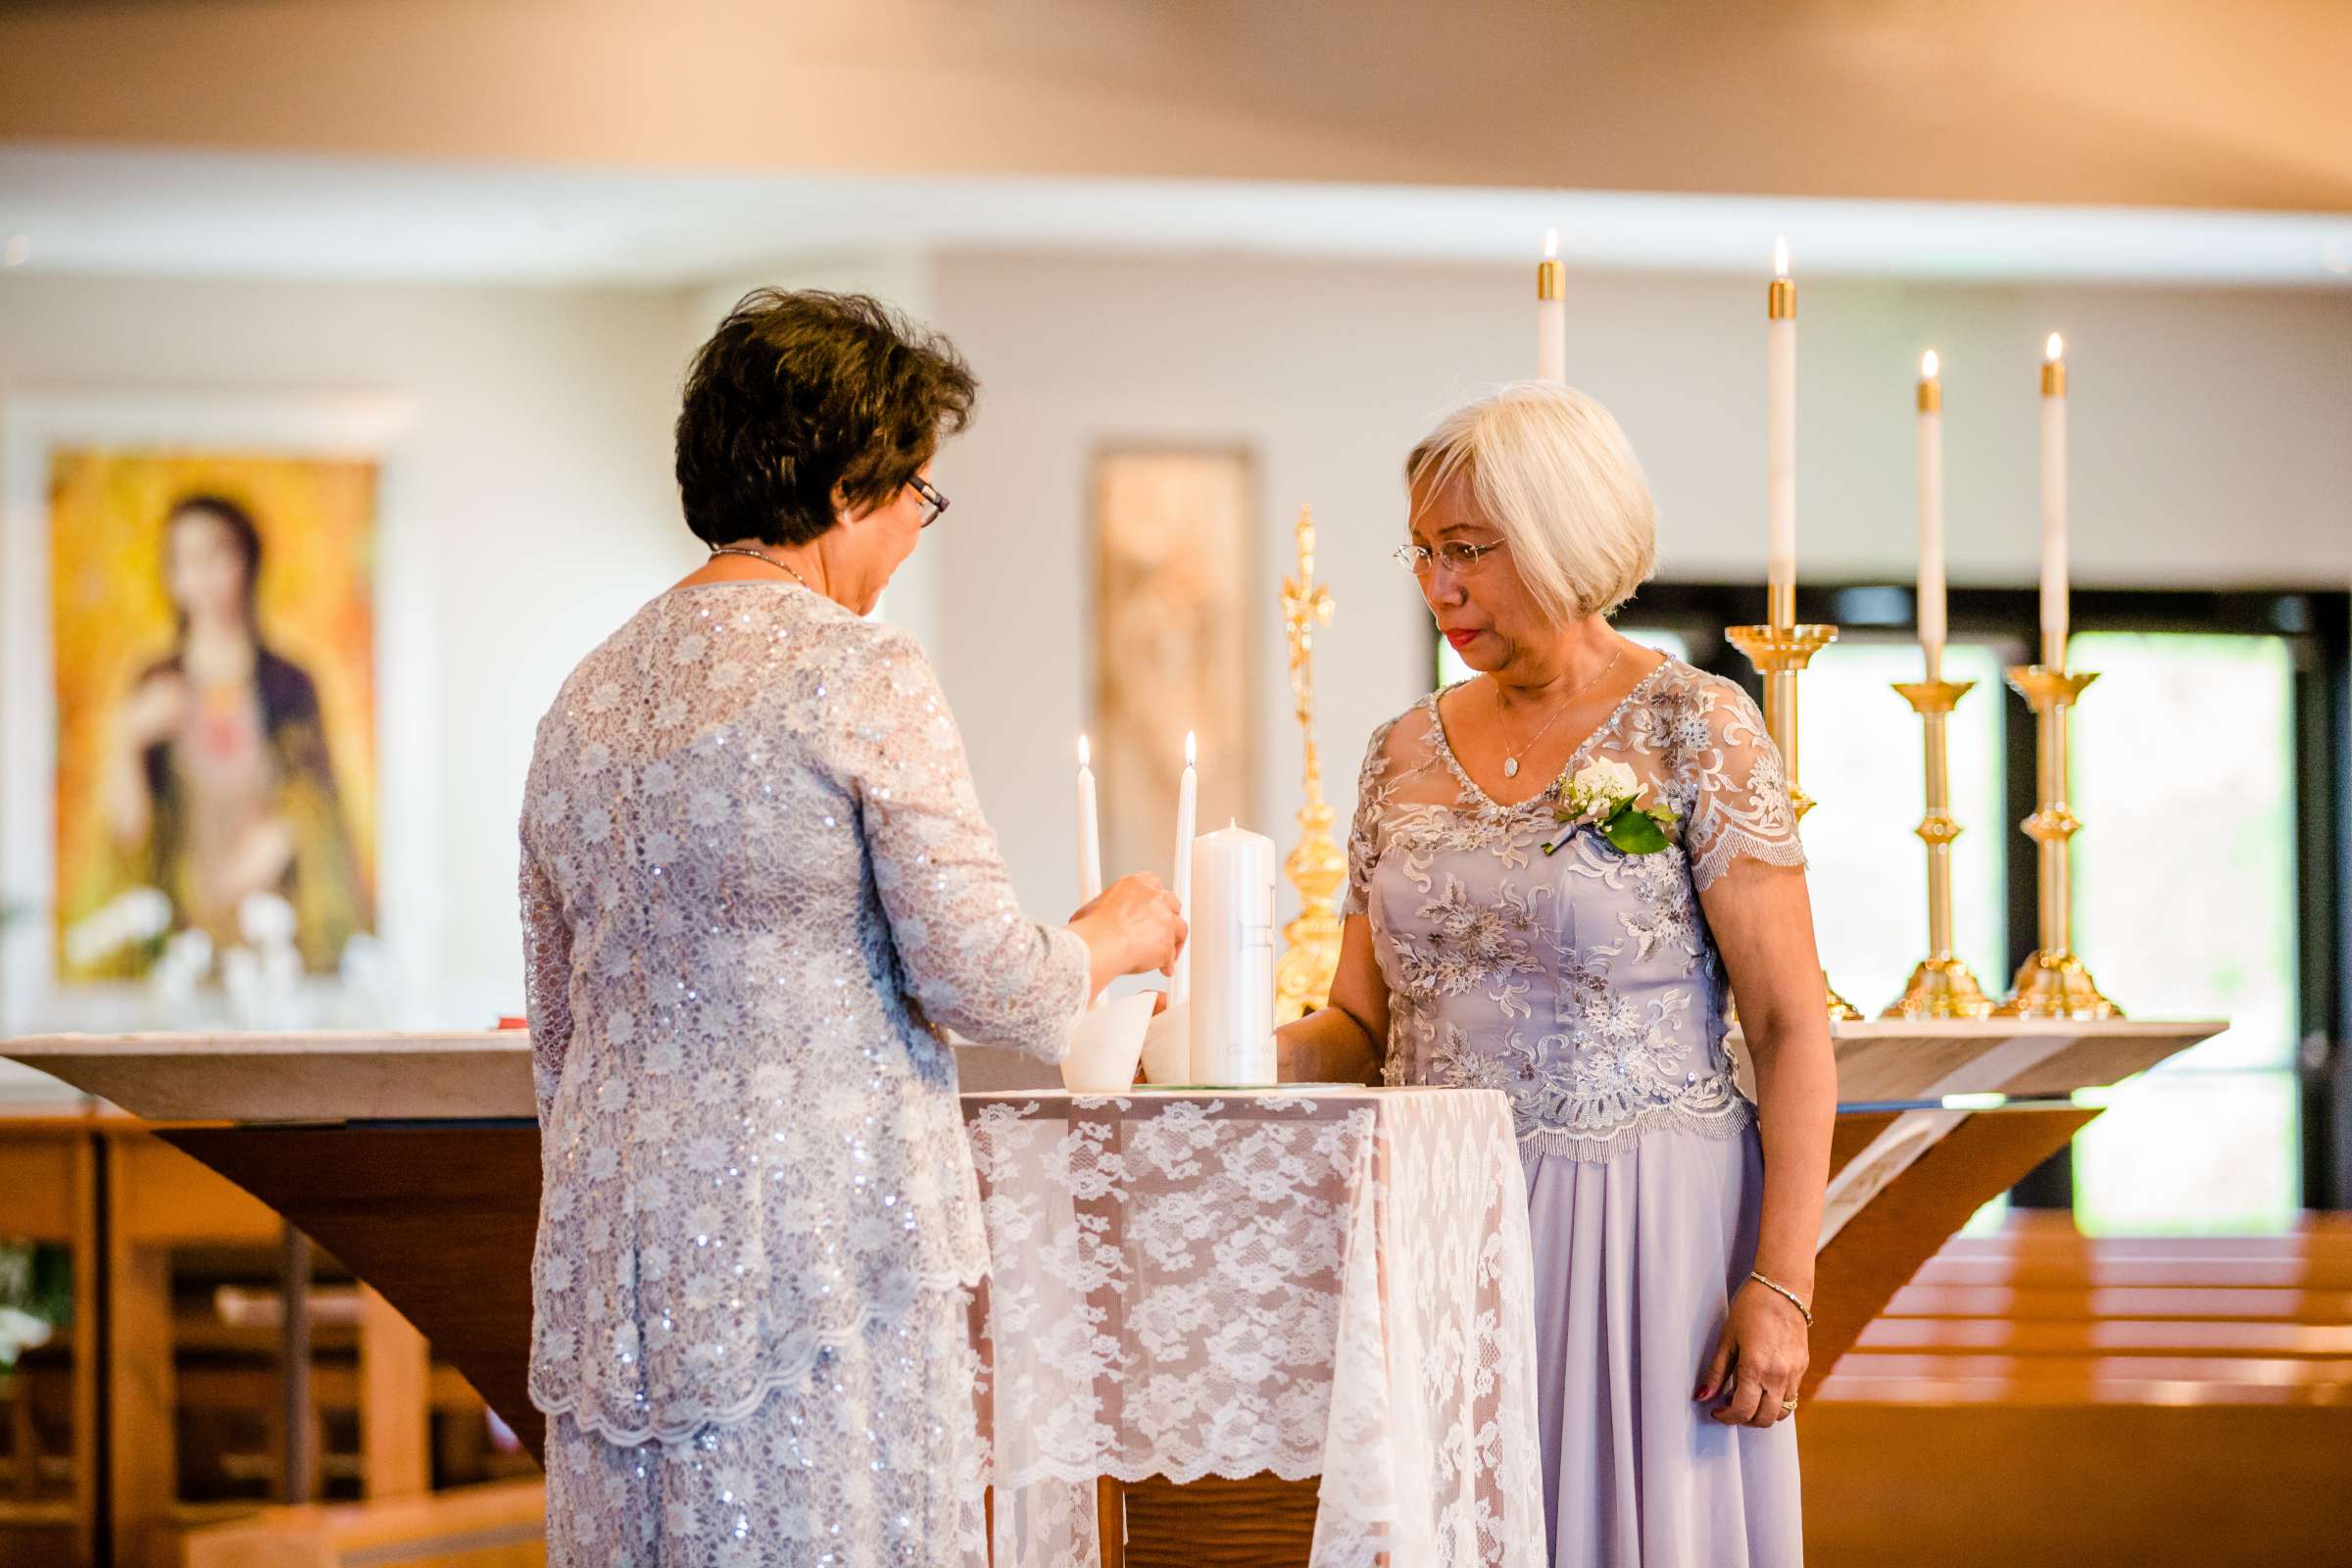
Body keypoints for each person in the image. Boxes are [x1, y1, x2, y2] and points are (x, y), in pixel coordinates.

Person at [517, 289, 1184, 1566]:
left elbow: (559, 1012)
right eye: (917, 497)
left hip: (619, 1236)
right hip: (817, 1237)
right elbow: (981, 972)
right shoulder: (858, 672)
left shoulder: (585, 693)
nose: (916, 535)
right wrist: (1111, 934)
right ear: (845, 488)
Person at [1276, 383, 1835, 1566]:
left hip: (1646, 1227)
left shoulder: (1695, 726)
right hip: (1442, 1222)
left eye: (1469, 551)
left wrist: (1783, 1283)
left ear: (1562, 534)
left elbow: (1790, 1024)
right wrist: (1218, 1044)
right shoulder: (1397, 752)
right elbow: (1353, 1026)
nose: (1441, 586)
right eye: (1424, 552)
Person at [97, 493, 368, 972]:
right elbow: (129, 833)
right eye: (184, 559)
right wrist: (127, 737)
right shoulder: (155, 684)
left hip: (277, 933)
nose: (200, 574)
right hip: (183, 940)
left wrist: (274, 842)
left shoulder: (288, 684)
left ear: (246, 562)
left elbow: (317, 808)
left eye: (215, 554)